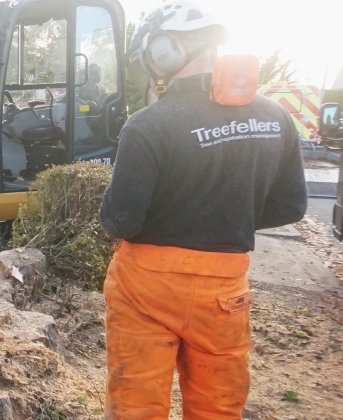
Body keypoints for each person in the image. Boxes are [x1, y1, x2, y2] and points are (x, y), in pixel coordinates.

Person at [98, 1, 307, 419]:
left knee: (136, 406)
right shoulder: (274, 117)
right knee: (219, 406)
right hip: (224, 293)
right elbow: (291, 205)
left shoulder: (149, 124)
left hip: (146, 291)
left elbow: (120, 220)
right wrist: (232, 216)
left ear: (165, 52)